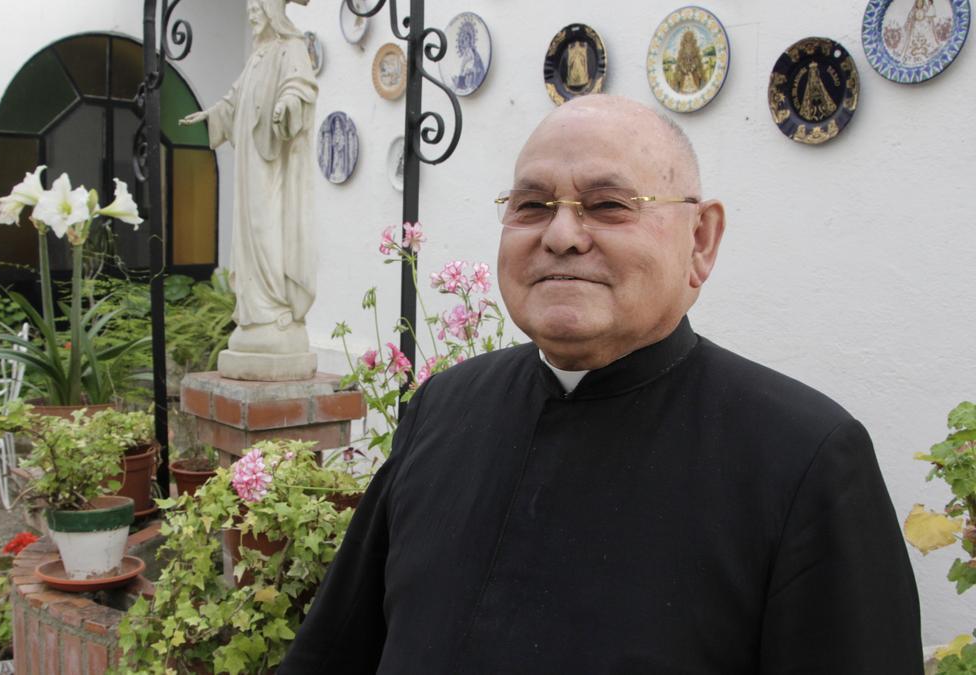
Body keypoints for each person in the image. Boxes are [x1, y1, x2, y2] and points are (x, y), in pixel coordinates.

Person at [281, 95, 922, 673]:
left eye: (609, 206)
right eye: (531, 205)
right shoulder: (444, 407)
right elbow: (334, 654)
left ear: (701, 239)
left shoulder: (804, 459)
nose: (561, 236)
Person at [180, 0, 317, 361]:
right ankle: (254, 315)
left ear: (272, 10)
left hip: (272, 168)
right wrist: (211, 116)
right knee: (247, 237)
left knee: (268, 231)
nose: (251, 13)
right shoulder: (258, 56)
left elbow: (301, 88)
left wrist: (287, 105)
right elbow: (234, 100)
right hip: (250, 168)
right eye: (249, 7)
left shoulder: (292, 48)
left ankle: (274, 309)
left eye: (257, 6)